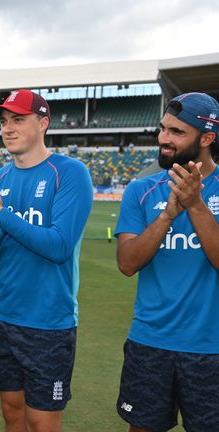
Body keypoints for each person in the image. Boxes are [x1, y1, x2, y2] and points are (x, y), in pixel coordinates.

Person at [0, 90, 93, 432]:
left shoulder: (70, 173)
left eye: (18, 119)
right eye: (4, 121)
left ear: (43, 123)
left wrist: (1, 215)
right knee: (11, 411)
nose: (8, 128)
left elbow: (59, 246)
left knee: (42, 422)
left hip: (48, 322)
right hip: (2, 315)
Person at [115, 92, 219, 432]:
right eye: (162, 129)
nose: (163, 139)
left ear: (206, 139)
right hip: (150, 343)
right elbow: (127, 264)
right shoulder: (141, 190)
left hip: (211, 349)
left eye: (177, 132)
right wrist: (166, 217)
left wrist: (196, 205)